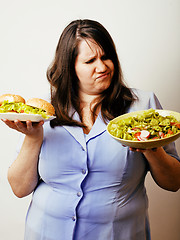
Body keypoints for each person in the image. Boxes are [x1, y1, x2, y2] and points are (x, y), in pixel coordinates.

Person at [3, 19, 180, 240]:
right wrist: (33, 137)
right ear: (70, 67)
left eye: (106, 57)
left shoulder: (142, 106)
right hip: (46, 233)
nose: (103, 67)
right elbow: (20, 189)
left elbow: (173, 182)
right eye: (90, 61)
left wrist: (150, 147)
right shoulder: (43, 112)